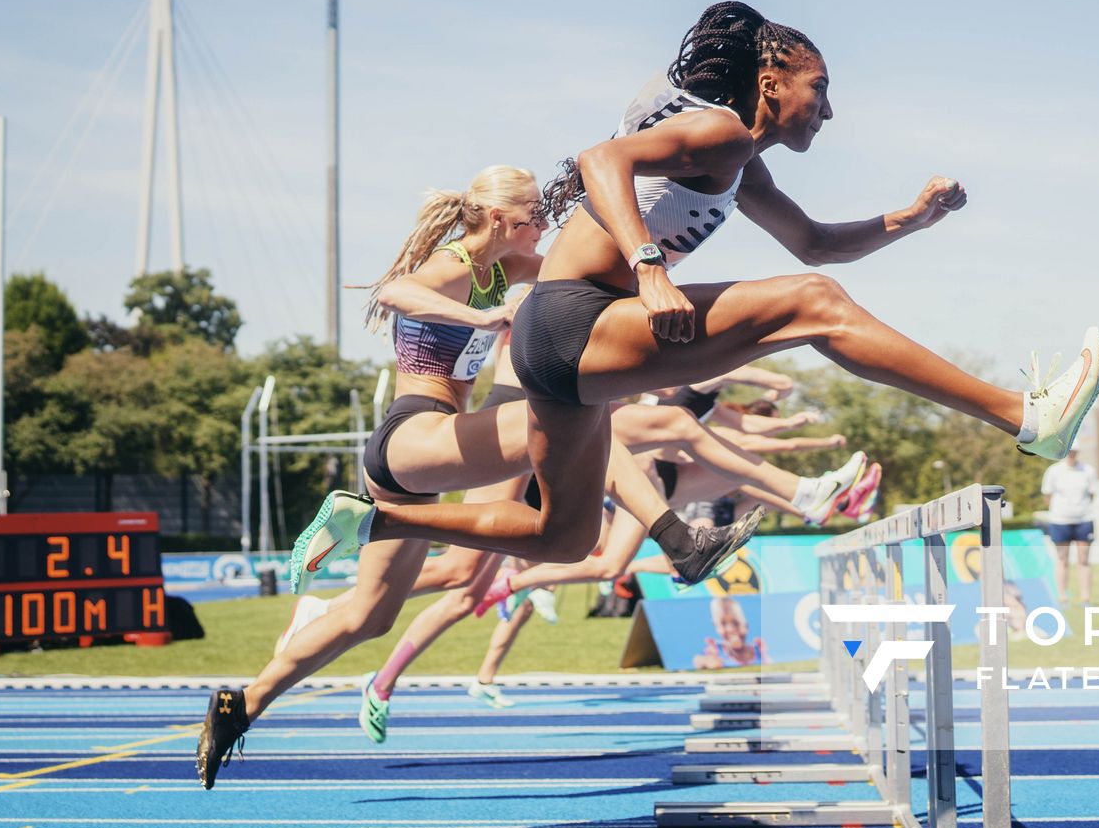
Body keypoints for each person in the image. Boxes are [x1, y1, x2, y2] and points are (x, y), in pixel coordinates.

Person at [291, 0, 1099, 600]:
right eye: (819, 87)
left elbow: (818, 240)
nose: (829, 108)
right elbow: (601, 156)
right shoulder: (717, 132)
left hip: (555, 342)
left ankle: (368, 520)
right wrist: (649, 268)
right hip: (579, 319)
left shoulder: (739, 160)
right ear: (772, 76)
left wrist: (913, 218)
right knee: (815, 303)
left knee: (563, 533)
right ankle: (1024, 417)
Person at [198, 168, 766, 787]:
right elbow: (397, 294)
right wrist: (484, 318)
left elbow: (582, 275)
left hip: (429, 456)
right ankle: (677, 540)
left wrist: (656, 254)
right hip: (411, 434)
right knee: (580, 413)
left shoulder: (506, 268)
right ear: (501, 221)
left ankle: (243, 704)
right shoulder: (455, 265)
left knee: (370, 616)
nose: (544, 225)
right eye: (534, 217)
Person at [1039, 449, 1097, 603]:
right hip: (1060, 520)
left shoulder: (1088, 471)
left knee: (1083, 559)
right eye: (1070, 452)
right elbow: (1047, 495)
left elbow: (1092, 494)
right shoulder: (1053, 471)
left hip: (1083, 519)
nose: (1072, 455)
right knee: (1062, 558)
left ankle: (1086, 596)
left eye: (1075, 452)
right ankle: (1062, 595)